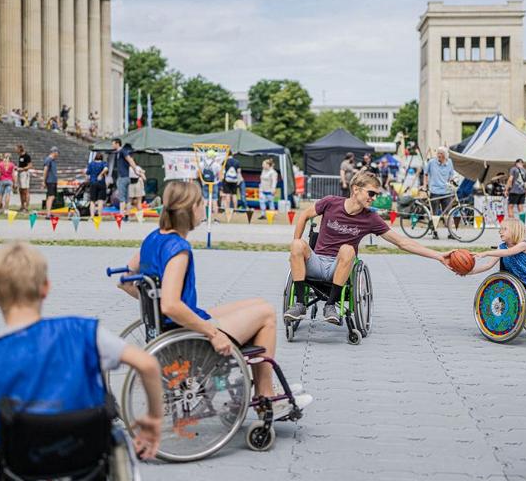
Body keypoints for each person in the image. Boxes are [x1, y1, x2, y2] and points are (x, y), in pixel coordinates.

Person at [0, 242, 164, 475]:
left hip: (15, 469)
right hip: (87, 465)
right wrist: (153, 418)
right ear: (46, 287)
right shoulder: (83, 334)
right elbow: (148, 364)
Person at [120, 181, 313, 417]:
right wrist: (213, 333)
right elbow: (170, 305)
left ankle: (264, 389)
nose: (205, 207)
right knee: (266, 315)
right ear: (190, 209)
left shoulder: (153, 238)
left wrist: (154, 306)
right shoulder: (178, 249)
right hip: (186, 338)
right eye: (202, 203)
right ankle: (265, 396)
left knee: (259, 304)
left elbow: (125, 280)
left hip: (170, 328)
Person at [285, 171, 457, 325]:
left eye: (376, 194)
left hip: (339, 266)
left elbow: (402, 242)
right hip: (316, 261)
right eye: (371, 193)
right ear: (356, 189)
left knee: (347, 249)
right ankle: (300, 304)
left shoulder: (371, 218)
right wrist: (296, 248)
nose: (374, 198)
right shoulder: (330, 202)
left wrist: (439, 256)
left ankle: (330, 306)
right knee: (297, 244)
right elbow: (305, 215)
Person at [423, 146, 456, 239]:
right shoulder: (432, 162)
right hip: (435, 191)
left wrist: (452, 184)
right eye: (438, 153)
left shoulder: (449, 162)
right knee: (435, 213)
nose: (439, 155)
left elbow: (451, 176)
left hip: (446, 191)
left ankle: (451, 233)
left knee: (448, 213)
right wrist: (425, 185)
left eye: (441, 154)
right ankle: (434, 231)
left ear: (445, 156)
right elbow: (425, 174)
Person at [112, 139, 140, 217]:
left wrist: (135, 170)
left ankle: (121, 214)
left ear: (117, 144)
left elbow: (130, 160)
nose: (112, 145)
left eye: (113, 144)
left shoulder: (122, 151)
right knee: (127, 197)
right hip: (126, 177)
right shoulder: (118, 153)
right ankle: (127, 213)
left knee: (122, 197)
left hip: (123, 177)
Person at [86, 152, 108, 218]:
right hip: (101, 183)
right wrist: (101, 174)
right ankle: (99, 216)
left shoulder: (91, 164)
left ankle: (92, 216)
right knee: (100, 200)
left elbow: (87, 172)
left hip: (93, 183)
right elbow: (106, 169)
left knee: (92, 201)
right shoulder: (103, 163)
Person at [43, 147, 59, 216]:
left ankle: (49, 212)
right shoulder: (48, 160)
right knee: (51, 197)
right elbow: (45, 170)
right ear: (54, 152)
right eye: (57, 153)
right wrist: (44, 181)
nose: (58, 154)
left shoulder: (53, 160)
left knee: (52, 197)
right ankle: (48, 213)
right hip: (50, 180)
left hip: (53, 180)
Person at [16, 144, 32, 212]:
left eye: (16, 149)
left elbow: (30, 166)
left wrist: (22, 169)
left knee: (25, 191)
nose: (15, 150)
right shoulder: (20, 156)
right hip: (20, 174)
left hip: (25, 174)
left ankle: (26, 207)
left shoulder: (27, 156)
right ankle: (22, 206)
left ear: (20, 149)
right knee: (20, 191)